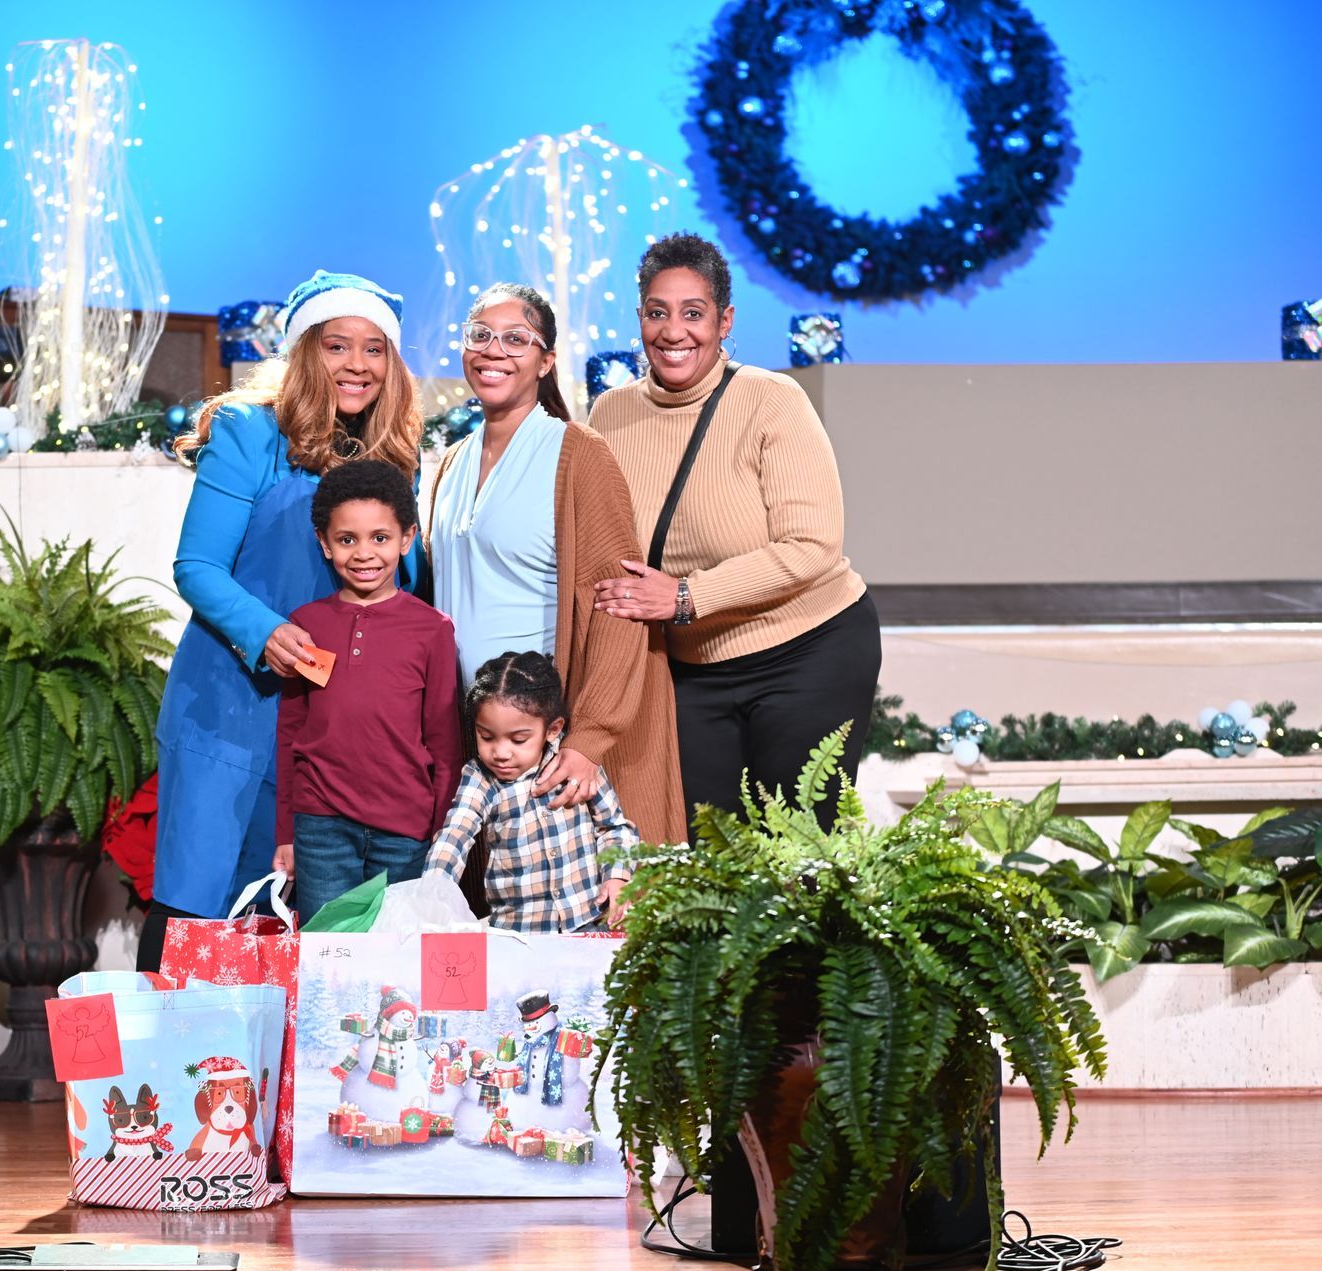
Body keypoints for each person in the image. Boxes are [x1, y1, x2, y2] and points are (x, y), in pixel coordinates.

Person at [139, 270, 423, 970]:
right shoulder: (249, 432)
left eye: (375, 349)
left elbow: (405, 584)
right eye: (337, 345)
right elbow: (198, 565)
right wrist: (265, 631)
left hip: (329, 723)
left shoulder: (396, 457)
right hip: (228, 708)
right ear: (304, 350)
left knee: (308, 919)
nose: (357, 364)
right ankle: (160, 1041)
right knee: (195, 900)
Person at [589, 233, 880, 832]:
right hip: (692, 668)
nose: (674, 331)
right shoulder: (609, 414)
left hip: (807, 650)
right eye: (657, 312)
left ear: (724, 321)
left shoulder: (772, 400)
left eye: (693, 313)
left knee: (796, 852)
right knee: (707, 853)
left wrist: (685, 596)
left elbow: (812, 546)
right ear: (640, 317)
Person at [425, 283, 685, 846]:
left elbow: (620, 605)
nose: (494, 350)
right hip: (480, 738)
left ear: (545, 362)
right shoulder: (450, 462)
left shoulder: (577, 455)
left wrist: (589, 738)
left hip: (551, 735)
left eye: (516, 339)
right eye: (480, 335)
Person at [272, 460, 462, 923]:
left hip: (406, 830)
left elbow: (444, 742)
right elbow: (291, 732)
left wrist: (442, 834)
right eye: (347, 539)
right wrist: (286, 833)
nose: (364, 554)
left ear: (406, 538)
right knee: (327, 951)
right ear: (324, 543)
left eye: (379, 538)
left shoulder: (433, 629)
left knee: (395, 955)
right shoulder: (306, 625)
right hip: (321, 827)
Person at [425, 651, 639, 933]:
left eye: (518, 739)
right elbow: (454, 836)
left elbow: (614, 828)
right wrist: (432, 894)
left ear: (552, 729)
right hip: (521, 933)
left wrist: (618, 877)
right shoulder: (480, 778)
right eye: (486, 737)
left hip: (590, 920)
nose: (500, 753)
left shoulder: (576, 764)